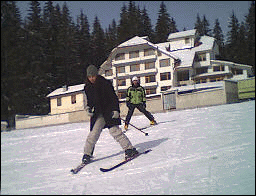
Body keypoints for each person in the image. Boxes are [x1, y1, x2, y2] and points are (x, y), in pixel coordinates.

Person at [82, 65, 138, 163]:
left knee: (115, 132)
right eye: (89, 77)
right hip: (98, 114)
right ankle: (87, 154)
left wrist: (116, 110)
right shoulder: (87, 87)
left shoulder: (105, 84)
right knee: (93, 135)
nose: (92, 79)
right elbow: (88, 101)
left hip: (109, 111)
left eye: (93, 76)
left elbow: (113, 98)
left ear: (96, 75)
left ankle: (129, 149)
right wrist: (88, 109)